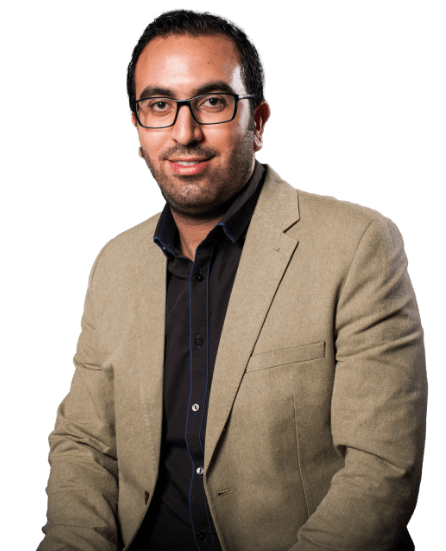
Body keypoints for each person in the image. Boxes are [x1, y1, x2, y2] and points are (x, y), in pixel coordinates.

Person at [38, 8, 427, 551]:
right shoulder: (113, 264)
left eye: (212, 102)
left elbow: (380, 471)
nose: (185, 133)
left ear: (258, 122)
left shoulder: (358, 245)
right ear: (137, 127)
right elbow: (86, 445)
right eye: (159, 105)